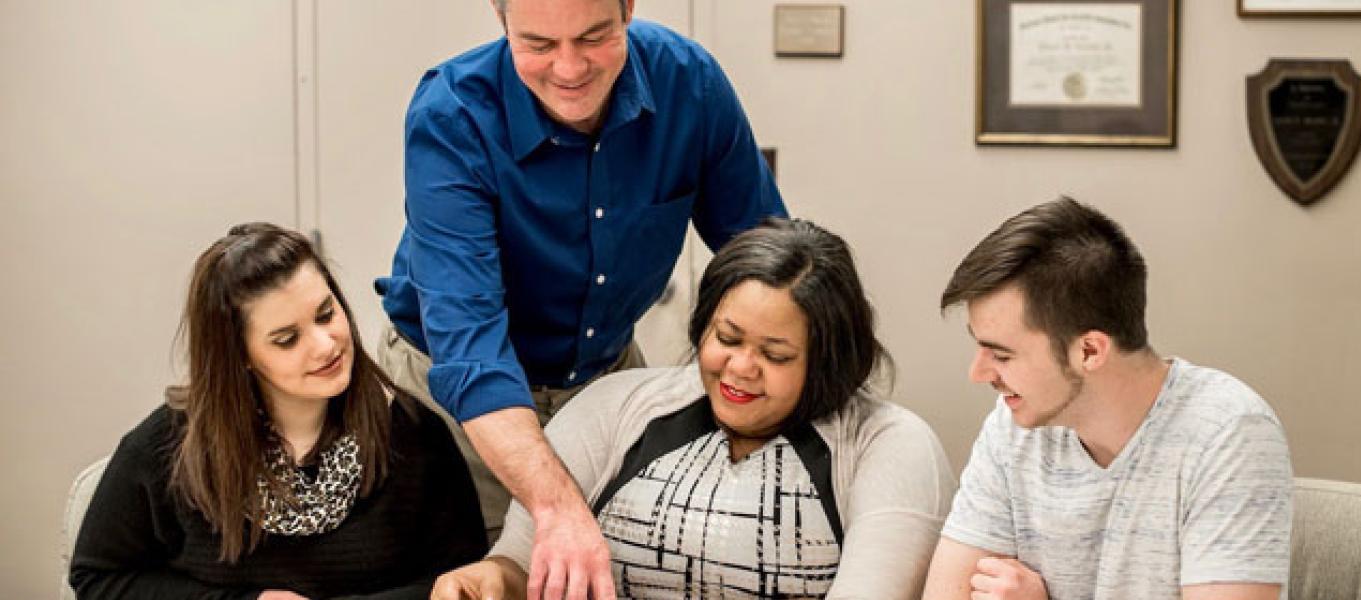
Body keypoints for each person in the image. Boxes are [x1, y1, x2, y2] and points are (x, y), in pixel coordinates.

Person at [373, 0, 786, 595]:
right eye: (539, 45)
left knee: (636, 563)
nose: (569, 68)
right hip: (453, 400)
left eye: (594, 37)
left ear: (629, 9)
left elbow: (772, 260)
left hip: (606, 378)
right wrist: (559, 510)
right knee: (485, 575)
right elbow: (474, 354)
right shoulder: (453, 115)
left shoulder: (687, 84)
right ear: (500, 17)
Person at [428, 218, 955, 600]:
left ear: (828, 360)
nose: (741, 368)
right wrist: (489, 580)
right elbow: (521, 567)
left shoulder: (887, 445)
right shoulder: (617, 408)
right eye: (726, 338)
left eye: (775, 355)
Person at [70, 223, 486, 600]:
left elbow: (461, 581)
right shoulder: (162, 450)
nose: (326, 345)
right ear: (239, 358)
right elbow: (98, 580)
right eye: (287, 339)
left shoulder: (415, 435)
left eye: (327, 314)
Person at [920, 198, 1293, 600]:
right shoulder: (1013, 427)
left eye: (1002, 355)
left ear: (1090, 352)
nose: (978, 374)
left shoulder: (1229, 433)